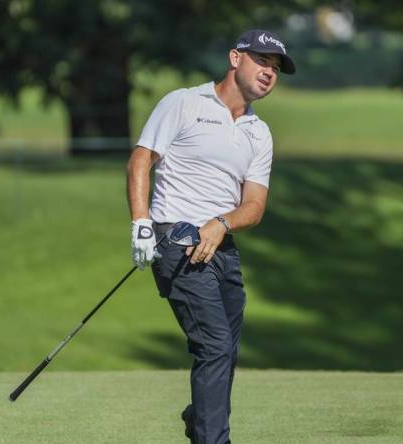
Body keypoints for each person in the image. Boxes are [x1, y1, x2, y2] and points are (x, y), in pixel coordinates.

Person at [126, 29, 296, 443]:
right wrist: (141, 223)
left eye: (275, 69)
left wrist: (221, 224)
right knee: (216, 346)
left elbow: (253, 207)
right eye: (262, 63)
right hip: (176, 243)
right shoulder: (183, 103)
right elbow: (140, 161)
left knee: (226, 352)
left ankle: (200, 415)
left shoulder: (260, 133)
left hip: (223, 248)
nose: (269, 74)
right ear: (235, 59)